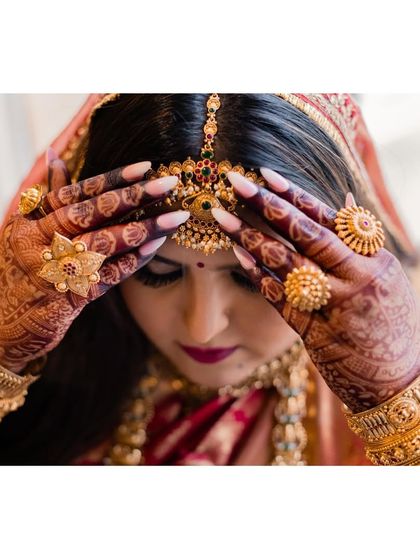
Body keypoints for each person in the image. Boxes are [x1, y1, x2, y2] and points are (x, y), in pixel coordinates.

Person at [0, 93, 419, 466]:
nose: (204, 328)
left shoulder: (385, 374)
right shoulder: (50, 356)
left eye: (257, 280)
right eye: (156, 273)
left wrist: (398, 410)